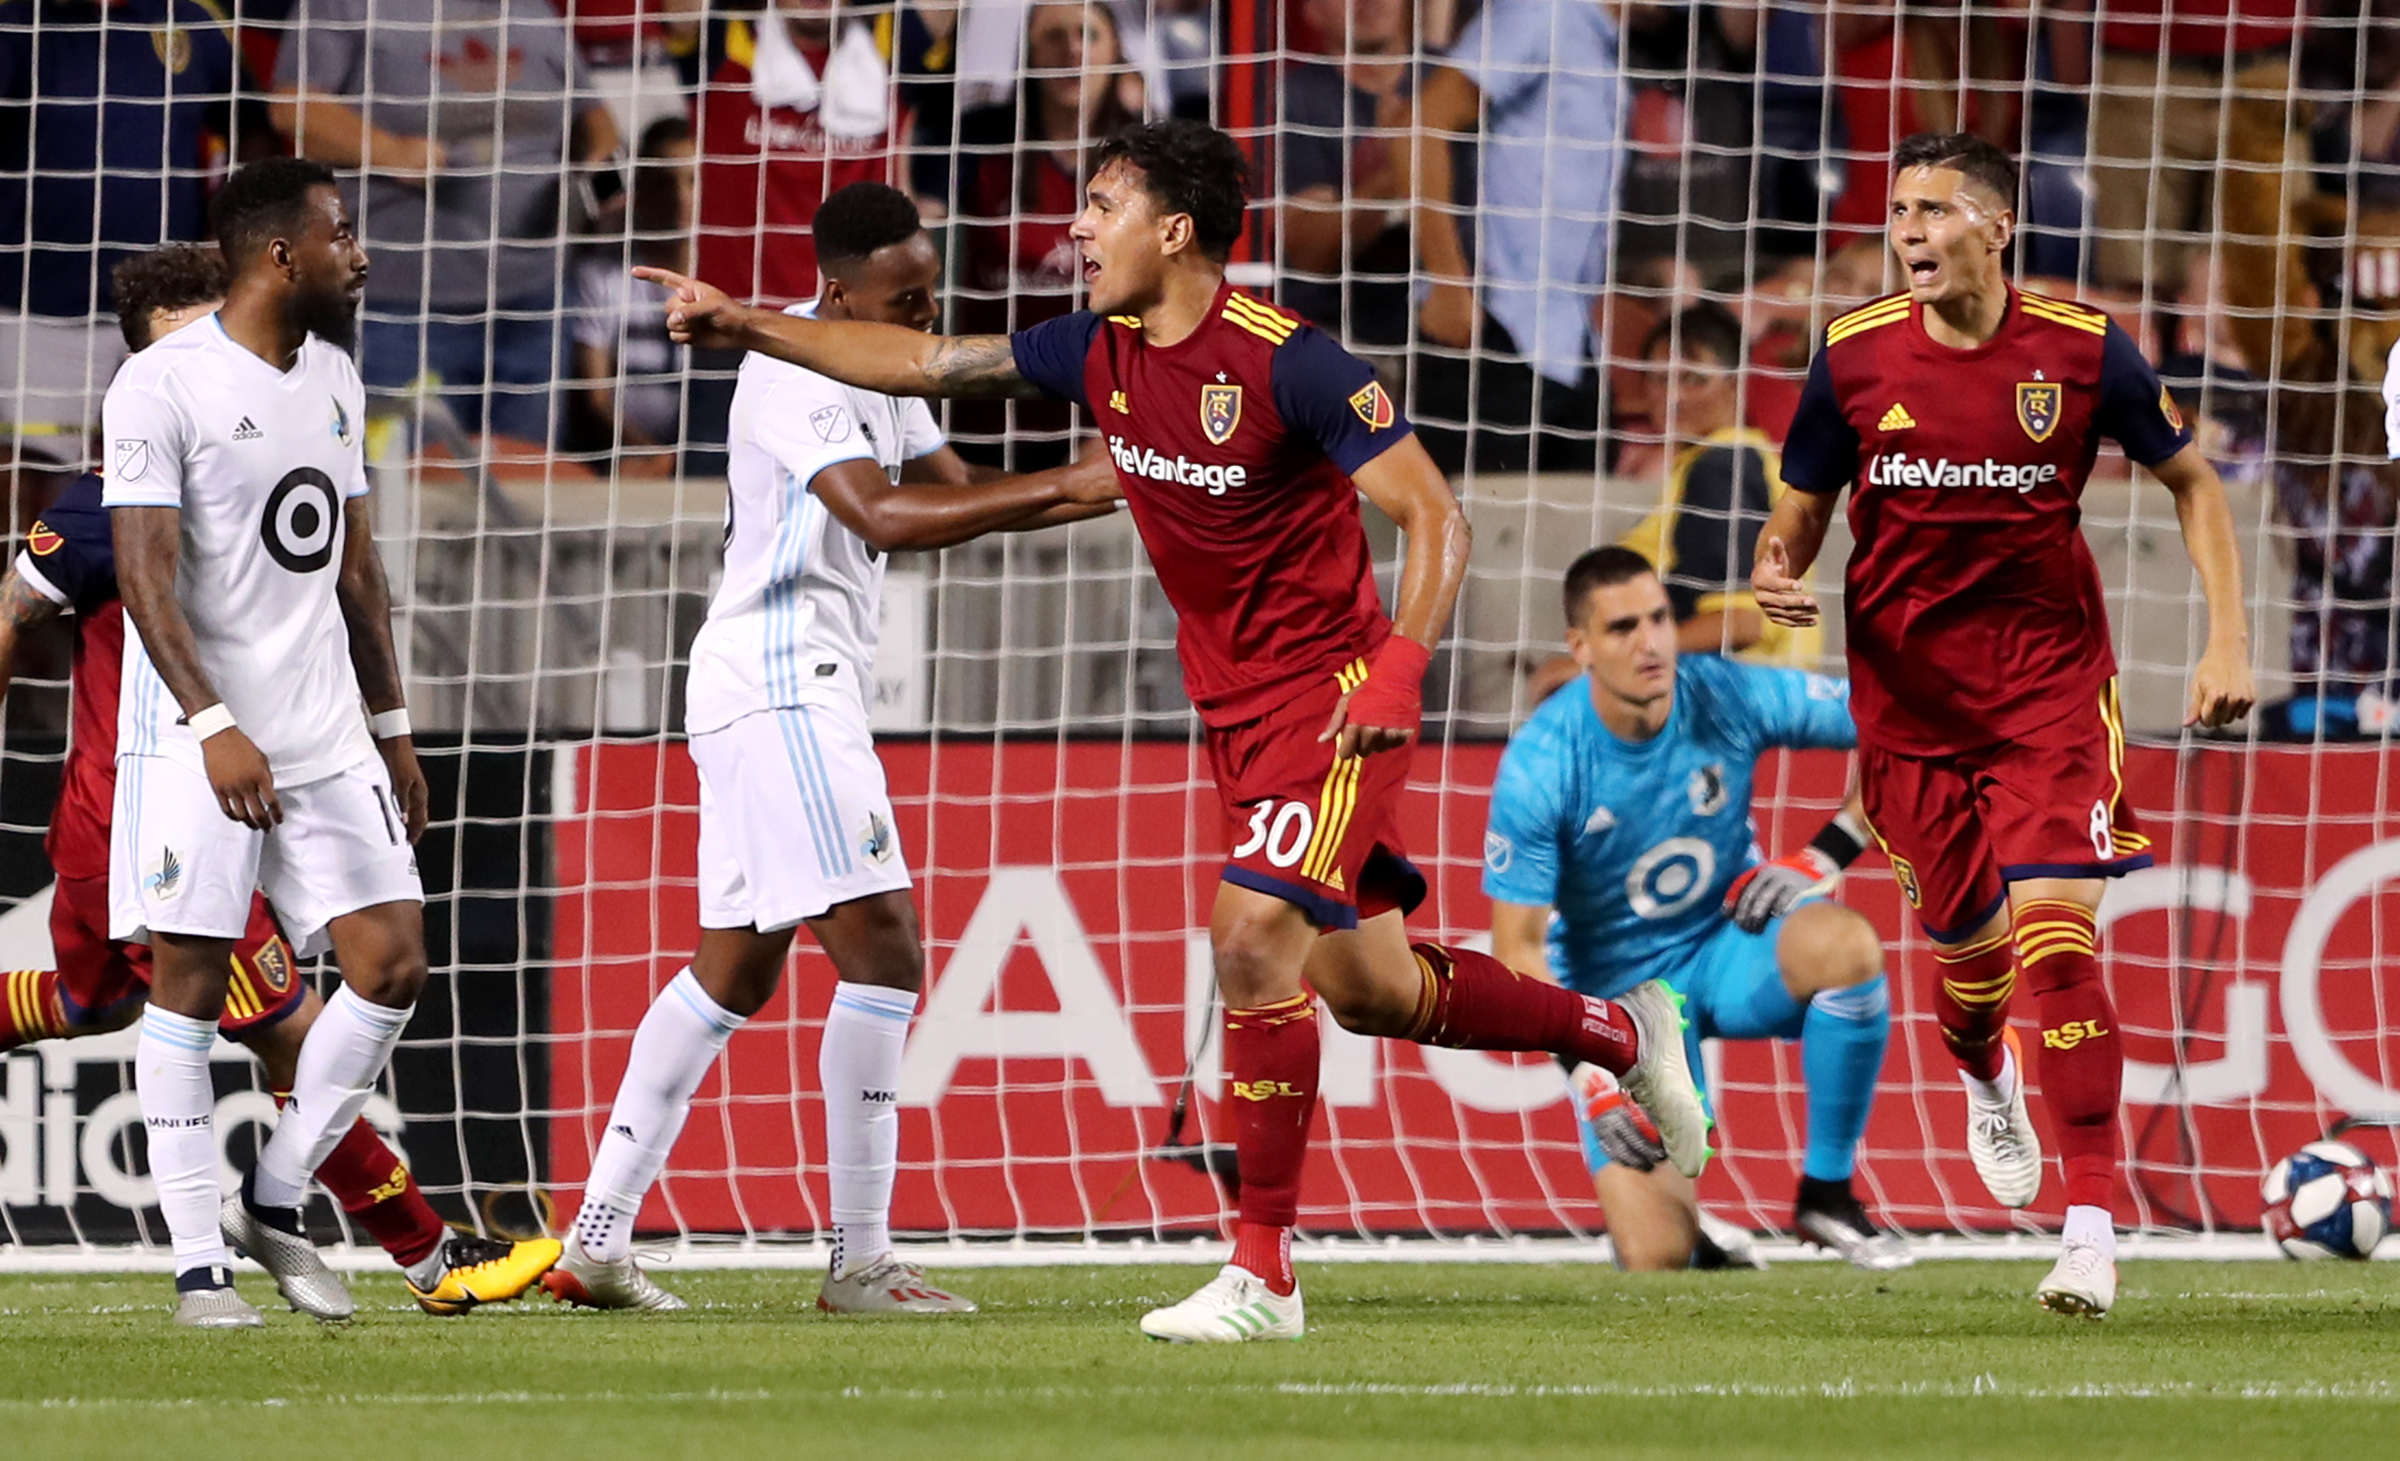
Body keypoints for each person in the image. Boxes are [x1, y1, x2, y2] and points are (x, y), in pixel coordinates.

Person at [637, 119, 1709, 1343]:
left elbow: (1436, 516)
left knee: (1250, 939)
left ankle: (1261, 1275)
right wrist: (749, 325)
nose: (1077, 228)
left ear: (1174, 230)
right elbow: (922, 364)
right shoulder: (1091, 349)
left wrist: (1400, 670)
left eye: (1101, 205)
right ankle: (1617, 1028)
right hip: (1234, 716)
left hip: (1338, 702)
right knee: (1368, 989)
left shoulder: (1291, 360)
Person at [545, 183, 1123, 1314]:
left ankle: (598, 1239)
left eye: (929, 297)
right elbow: (885, 517)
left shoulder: (881, 362)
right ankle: (861, 1261)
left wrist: (1119, 484)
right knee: (889, 956)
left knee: (734, 971)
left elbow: (958, 490)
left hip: (788, 686)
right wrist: (1075, 480)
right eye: (902, 300)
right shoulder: (789, 371)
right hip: (778, 680)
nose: (920, 320)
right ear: (835, 289)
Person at [0, 244, 557, 1318]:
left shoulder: (278, 424)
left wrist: (383, 728)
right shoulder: (119, 477)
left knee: (92, 1003)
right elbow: (17, 606)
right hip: (144, 800)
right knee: (288, 1028)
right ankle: (426, 1255)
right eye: (199, 319)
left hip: (211, 788)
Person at [1755, 133, 2255, 1318]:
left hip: (2049, 695)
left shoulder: (2081, 352)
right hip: (1910, 710)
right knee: (1973, 983)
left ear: (1996, 227)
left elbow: (2193, 479)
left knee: (2058, 945)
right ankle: (1989, 1081)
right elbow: (1803, 503)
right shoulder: (1854, 354)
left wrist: (2227, 636)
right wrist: (1781, 566)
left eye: (1935, 210)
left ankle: (2090, 1229)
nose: (1909, 232)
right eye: (1899, 213)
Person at [102, 157, 435, 1328]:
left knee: (393, 961)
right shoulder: (161, 385)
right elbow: (144, 580)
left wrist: (390, 727)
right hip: (207, 740)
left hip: (326, 731)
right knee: (189, 989)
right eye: (343, 235)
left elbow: (356, 571)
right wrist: (212, 724)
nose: (362, 252)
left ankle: (276, 1192)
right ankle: (200, 1269)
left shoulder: (336, 376)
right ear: (281, 256)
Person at [1486, 547, 1905, 1272]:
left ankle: (1827, 1191)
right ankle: (1696, 1235)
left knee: (1847, 945)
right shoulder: (1542, 761)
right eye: (1622, 628)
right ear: (1580, 648)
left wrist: (1825, 854)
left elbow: (1898, 725)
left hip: (1729, 942)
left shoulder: (1721, 693)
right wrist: (1591, 1077)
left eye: (1659, 618)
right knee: (1656, 1261)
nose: (1650, 642)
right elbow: (1517, 951)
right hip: (1626, 1010)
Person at [271, 0, 620, 445]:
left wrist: (601, 171)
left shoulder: (531, 7)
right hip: (401, 308)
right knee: (403, 493)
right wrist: (390, 150)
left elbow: (590, 110)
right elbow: (293, 107)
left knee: (529, 493)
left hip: (534, 301)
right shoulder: (347, 6)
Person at [1409, 0, 1621, 475]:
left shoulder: (1605, 41)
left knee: (1579, 537)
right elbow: (1422, 124)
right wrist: (1448, 284)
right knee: (1473, 536)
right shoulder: (1543, 12)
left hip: (1569, 344)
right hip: (1496, 338)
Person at [1619, 301, 1820, 666]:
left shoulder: (1724, 465)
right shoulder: (1733, 460)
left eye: (1693, 379)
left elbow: (1740, 621)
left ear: (1735, 385)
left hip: (1739, 697)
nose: (1672, 397)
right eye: (1659, 378)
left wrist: (1614, 662)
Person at [1276, 0, 1416, 346]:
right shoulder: (1296, 100)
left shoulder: (1452, 82)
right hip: (1341, 336)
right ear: (1310, 11)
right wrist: (1395, 168)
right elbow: (1311, 252)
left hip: (1454, 331)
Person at [572, 116, 703, 475]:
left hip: (712, 452)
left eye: (692, 181)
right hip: (624, 455)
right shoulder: (601, 277)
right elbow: (595, 397)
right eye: (664, 183)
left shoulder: (731, 277)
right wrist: (650, 453)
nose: (680, 197)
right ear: (641, 191)